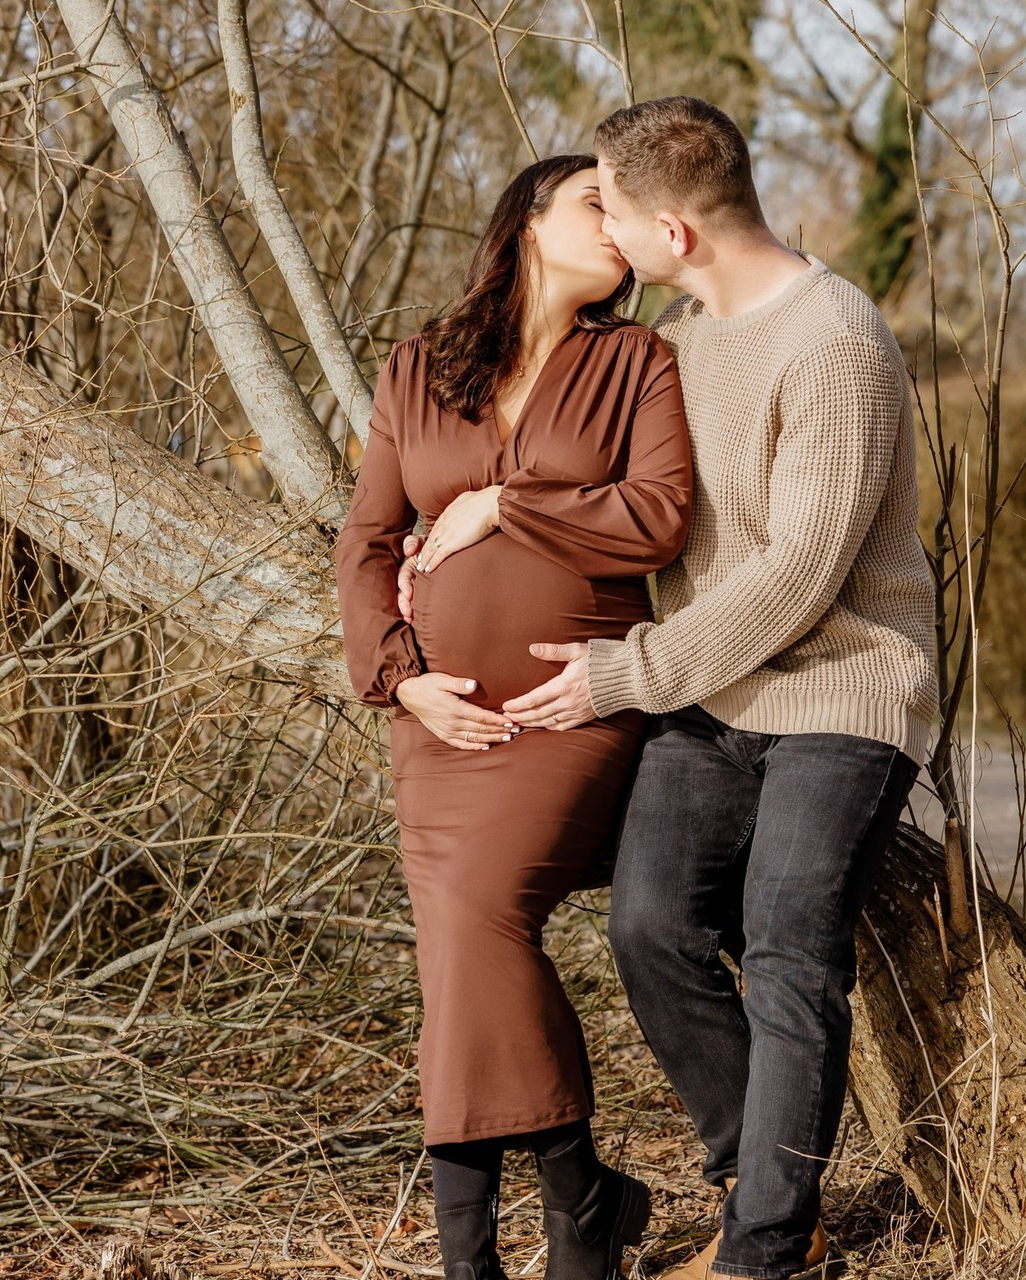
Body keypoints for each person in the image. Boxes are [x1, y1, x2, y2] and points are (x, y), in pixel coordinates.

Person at [420, 98, 938, 1280]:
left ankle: (761, 1252)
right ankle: (758, 1179)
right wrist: (478, 520)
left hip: (837, 689)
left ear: (677, 230)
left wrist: (626, 672)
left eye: (614, 207)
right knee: (649, 928)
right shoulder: (682, 335)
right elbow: (627, 508)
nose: (607, 229)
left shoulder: (835, 342)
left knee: (789, 945)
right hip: (711, 698)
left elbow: (799, 575)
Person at [334, 153, 693, 1280]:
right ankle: (561, 1212)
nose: (620, 223)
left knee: (477, 917)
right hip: (439, 725)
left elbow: (657, 518)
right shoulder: (418, 365)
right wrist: (400, 677)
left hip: (566, 708)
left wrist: (504, 499)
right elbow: (365, 543)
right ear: (529, 222)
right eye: (598, 201)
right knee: (458, 948)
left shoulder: (636, 361)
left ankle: (534, 1227)